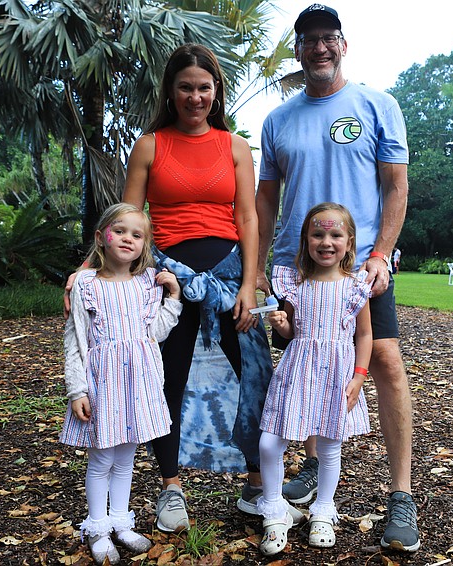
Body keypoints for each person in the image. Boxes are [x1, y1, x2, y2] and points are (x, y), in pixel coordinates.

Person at [254, 4, 419, 553]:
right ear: (298, 50)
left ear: (343, 44)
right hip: (296, 266)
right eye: (309, 40)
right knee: (307, 361)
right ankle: (310, 466)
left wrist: (381, 254)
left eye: (329, 38)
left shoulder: (377, 104)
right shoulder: (278, 120)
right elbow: (266, 199)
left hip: (359, 266)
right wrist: (259, 269)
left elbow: (396, 186)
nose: (320, 47)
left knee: (385, 360)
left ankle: (401, 495)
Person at [120, 44, 288, 533]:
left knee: (254, 374)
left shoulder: (234, 146)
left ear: (216, 92)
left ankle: (257, 485)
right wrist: (91, 270)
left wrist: (250, 284)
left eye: (204, 88)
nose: (195, 97)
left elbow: (248, 218)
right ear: (170, 93)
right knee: (166, 378)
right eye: (185, 88)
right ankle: (171, 487)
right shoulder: (150, 145)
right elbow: (128, 220)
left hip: (230, 277)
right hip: (169, 279)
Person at [60, 203, 183, 565]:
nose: (128, 238)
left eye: (137, 234)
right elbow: (74, 340)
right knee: (102, 459)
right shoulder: (86, 284)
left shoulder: (147, 283)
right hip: (103, 382)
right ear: (102, 237)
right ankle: (98, 529)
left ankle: (120, 521)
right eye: (120, 231)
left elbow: (155, 332)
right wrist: (77, 390)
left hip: (138, 383)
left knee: (127, 457)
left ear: (145, 244)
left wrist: (174, 298)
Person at [257, 203, 372, 555]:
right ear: (306, 240)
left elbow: (364, 335)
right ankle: (274, 510)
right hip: (297, 373)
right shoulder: (296, 285)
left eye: (335, 235)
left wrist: (359, 377)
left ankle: (322, 511)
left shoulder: (355, 287)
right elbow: (293, 332)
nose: (326, 241)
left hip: (337, 375)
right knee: (269, 443)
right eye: (318, 234)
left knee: (329, 447)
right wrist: (282, 325)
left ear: (349, 242)